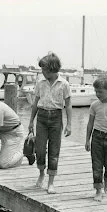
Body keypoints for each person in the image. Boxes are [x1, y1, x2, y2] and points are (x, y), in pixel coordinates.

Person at [28, 52, 72, 193]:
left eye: (44, 69)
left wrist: (69, 123)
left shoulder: (64, 84)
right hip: (41, 117)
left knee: (54, 151)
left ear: (52, 69)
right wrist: (31, 121)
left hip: (56, 117)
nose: (42, 72)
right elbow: (35, 103)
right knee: (40, 149)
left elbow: (68, 104)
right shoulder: (40, 83)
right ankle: (41, 174)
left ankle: (51, 182)